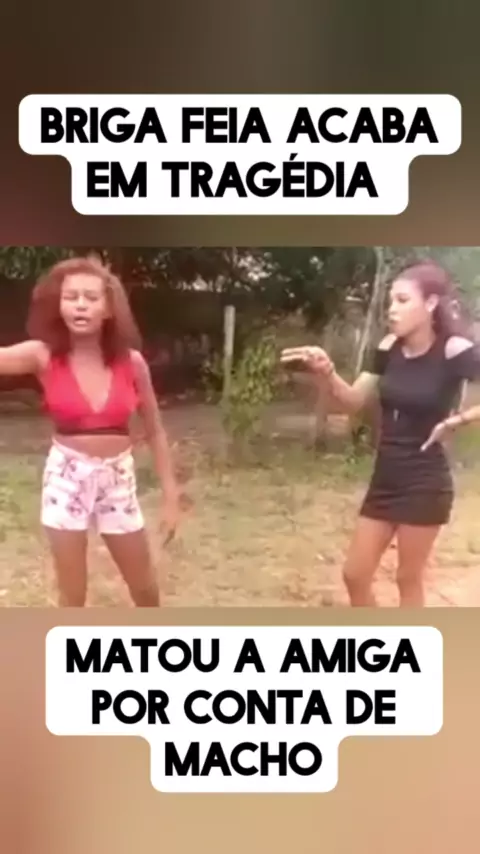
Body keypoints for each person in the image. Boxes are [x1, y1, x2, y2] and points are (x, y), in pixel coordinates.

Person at [281, 261, 480, 607]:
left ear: (431, 303)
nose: (392, 309)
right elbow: (352, 401)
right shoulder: (388, 347)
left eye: (403, 300)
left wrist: (455, 421)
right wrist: (326, 372)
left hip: (425, 479)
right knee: (354, 575)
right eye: (390, 301)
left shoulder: (454, 349)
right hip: (385, 477)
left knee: (407, 579)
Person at [0, 255, 180, 607]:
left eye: (91, 297)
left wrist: (171, 496)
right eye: (71, 297)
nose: (80, 305)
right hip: (66, 480)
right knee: (73, 597)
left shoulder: (132, 362)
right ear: (59, 306)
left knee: (145, 590)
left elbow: (155, 431)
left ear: (108, 309)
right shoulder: (43, 355)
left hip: (118, 480)